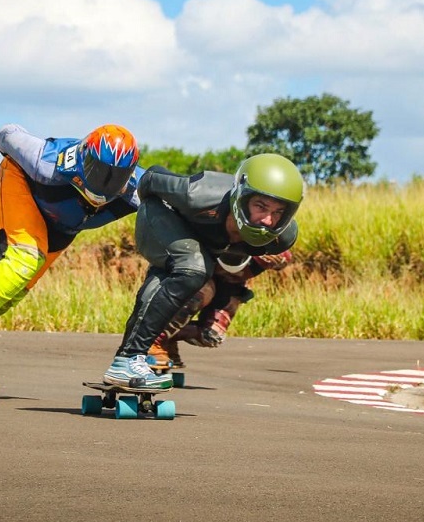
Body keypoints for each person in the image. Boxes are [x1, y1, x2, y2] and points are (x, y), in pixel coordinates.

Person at [0, 122, 141, 377]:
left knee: (16, 289)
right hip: (20, 184)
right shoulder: (44, 161)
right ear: (83, 158)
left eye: (116, 177)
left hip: (61, 227)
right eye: (99, 171)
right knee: (23, 260)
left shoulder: (137, 191)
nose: (105, 184)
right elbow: (6, 133)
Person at [104, 153, 304, 389]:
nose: (268, 220)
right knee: (194, 268)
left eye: (279, 212)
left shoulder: (281, 238)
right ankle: (130, 357)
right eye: (260, 206)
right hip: (157, 215)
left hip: (199, 252)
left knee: (186, 273)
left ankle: (127, 361)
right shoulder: (197, 194)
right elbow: (149, 179)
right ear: (242, 197)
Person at [146, 250, 293, 370]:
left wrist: (275, 257)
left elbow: (283, 257)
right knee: (200, 293)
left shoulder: (270, 254)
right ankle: (152, 342)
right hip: (201, 275)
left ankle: (169, 339)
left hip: (230, 288)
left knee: (211, 336)